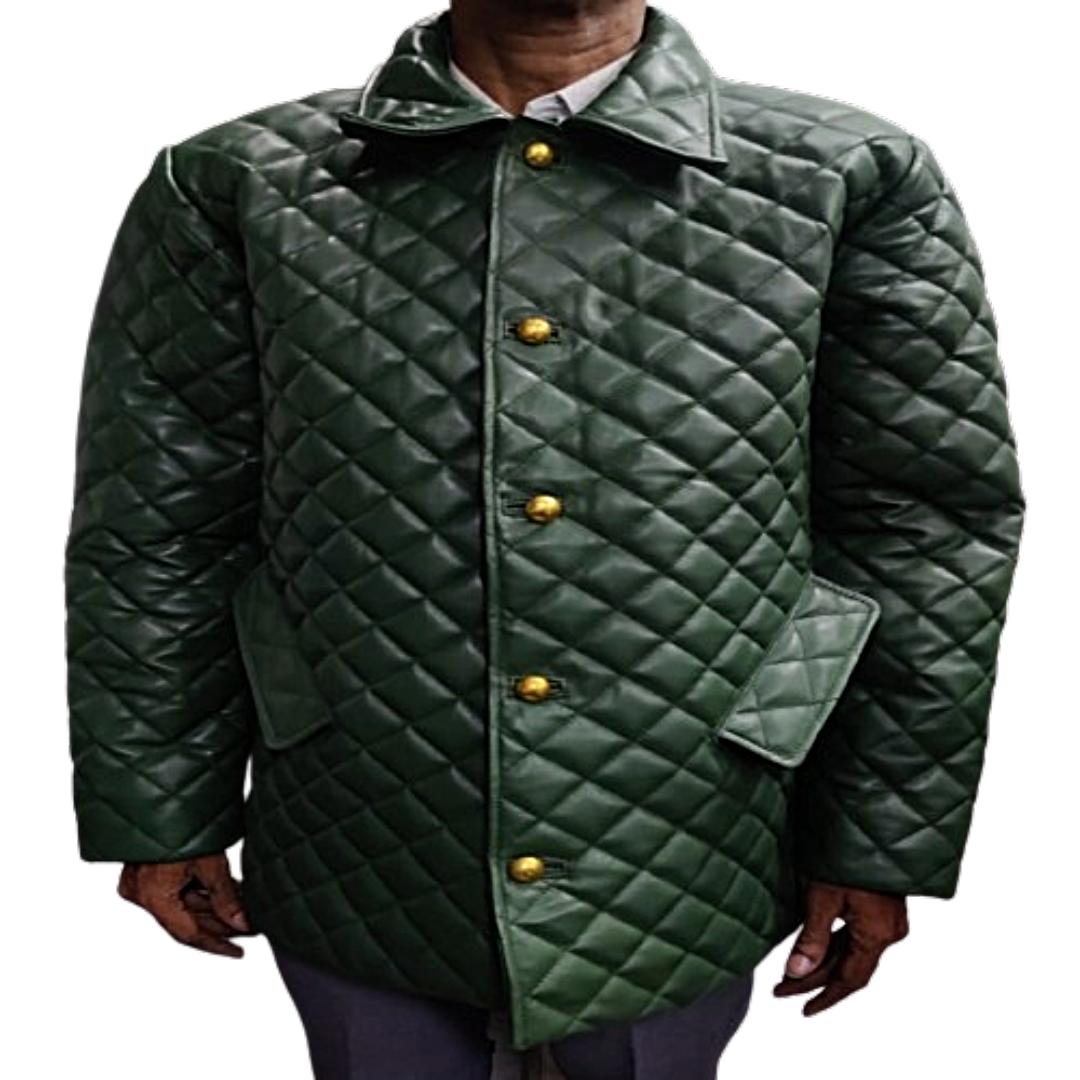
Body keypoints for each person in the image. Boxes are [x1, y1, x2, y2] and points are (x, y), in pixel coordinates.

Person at [63, 2, 1025, 1078]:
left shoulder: (846, 176)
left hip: (696, 819)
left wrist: (876, 833)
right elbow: (158, 523)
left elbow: (924, 522)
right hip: (357, 814)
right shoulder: (237, 183)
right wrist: (162, 805)